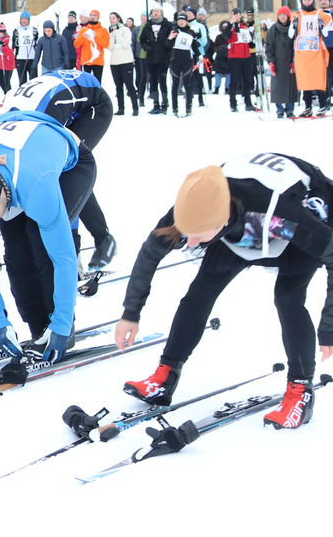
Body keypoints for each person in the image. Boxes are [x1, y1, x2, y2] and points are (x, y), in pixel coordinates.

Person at [117, 156, 333, 429]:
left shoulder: (283, 215)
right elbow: (150, 253)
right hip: (239, 222)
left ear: (220, 221)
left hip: (293, 218)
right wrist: (130, 313)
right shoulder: (194, 205)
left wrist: (329, 327)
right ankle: (166, 374)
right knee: (199, 292)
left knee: (288, 297)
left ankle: (301, 392)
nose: (190, 243)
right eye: (188, 233)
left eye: (198, 235)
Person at [0, 109, 96, 364]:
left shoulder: (35, 185)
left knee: (39, 239)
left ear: (1, 195)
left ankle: (62, 326)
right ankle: (38, 326)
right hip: (16, 164)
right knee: (15, 251)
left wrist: (60, 323)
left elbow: (64, 258)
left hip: (70, 165)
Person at [3, 68, 117, 268]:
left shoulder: (43, 123)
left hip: (94, 105)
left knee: (68, 170)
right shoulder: (4, 125)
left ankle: (103, 239)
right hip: (59, 98)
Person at [291, 0, 331, 116]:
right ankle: (308, 107)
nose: (307, 2)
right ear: (302, 1)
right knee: (305, 80)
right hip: (302, 53)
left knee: (319, 78)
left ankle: (322, 105)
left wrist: (321, 26)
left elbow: (326, 34)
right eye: (305, 0)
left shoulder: (320, 14)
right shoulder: (298, 14)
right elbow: (291, 35)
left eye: (309, 0)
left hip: (317, 52)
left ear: (313, 0)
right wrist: (293, 26)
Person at [168, 13, 203, 117]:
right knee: (175, 84)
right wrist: (169, 38)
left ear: (186, 21)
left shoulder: (190, 32)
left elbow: (195, 46)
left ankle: (188, 106)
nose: (181, 22)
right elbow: (167, 45)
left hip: (187, 60)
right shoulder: (174, 31)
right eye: (179, 20)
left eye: (183, 20)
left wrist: (200, 55)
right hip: (175, 60)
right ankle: (175, 107)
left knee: (187, 84)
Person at [139, 7, 173, 114]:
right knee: (153, 81)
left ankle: (164, 103)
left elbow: (170, 40)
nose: (156, 13)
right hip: (151, 58)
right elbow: (142, 39)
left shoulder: (168, 25)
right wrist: (146, 46)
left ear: (161, 13)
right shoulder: (148, 26)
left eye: (158, 11)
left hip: (163, 58)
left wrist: (168, 55)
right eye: (154, 12)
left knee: (162, 80)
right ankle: (156, 104)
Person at [222, 9, 257, 113]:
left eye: (238, 14)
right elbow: (226, 35)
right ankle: (233, 104)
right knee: (234, 81)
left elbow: (251, 43)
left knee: (248, 81)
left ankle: (248, 103)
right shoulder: (231, 26)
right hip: (234, 57)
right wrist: (230, 23)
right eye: (234, 14)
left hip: (246, 56)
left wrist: (253, 38)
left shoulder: (245, 27)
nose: (237, 16)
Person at [268, 6, 298, 119]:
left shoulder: (293, 28)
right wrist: (271, 61)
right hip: (278, 62)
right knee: (278, 87)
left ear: (288, 16)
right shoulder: (273, 30)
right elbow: (269, 47)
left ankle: (290, 109)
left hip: (290, 61)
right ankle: (279, 109)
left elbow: (296, 45)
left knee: (291, 86)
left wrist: (295, 60)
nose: (282, 17)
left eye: (284, 15)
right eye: (280, 15)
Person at [108, 12, 138, 115]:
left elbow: (125, 44)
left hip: (126, 61)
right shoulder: (111, 32)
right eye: (110, 18)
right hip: (114, 62)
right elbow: (110, 47)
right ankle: (121, 108)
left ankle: (135, 108)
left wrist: (117, 33)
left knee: (129, 85)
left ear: (118, 19)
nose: (111, 20)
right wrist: (111, 36)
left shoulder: (125, 30)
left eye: (113, 18)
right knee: (118, 86)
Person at [73, 9, 109, 80]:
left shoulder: (103, 30)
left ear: (98, 17)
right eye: (91, 15)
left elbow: (106, 45)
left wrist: (96, 37)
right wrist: (82, 36)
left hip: (98, 62)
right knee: (86, 84)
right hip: (86, 62)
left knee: (97, 83)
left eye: (94, 15)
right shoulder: (83, 30)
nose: (92, 17)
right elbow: (76, 45)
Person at [14, 11, 39, 85]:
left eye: (26, 19)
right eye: (22, 19)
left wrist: (36, 36)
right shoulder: (16, 30)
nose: (24, 21)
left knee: (33, 80)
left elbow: (38, 43)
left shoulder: (33, 30)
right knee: (22, 81)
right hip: (20, 58)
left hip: (31, 58)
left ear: (29, 20)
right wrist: (14, 37)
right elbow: (11, 45)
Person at [0, 24, 15, 99]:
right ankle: (7, 94)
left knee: (6, 82)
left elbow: (10, 52)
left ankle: (9, 97)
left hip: (8, 64)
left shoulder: (7, 39)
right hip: (1, 64)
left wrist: (4, 46)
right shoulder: (0, 39)